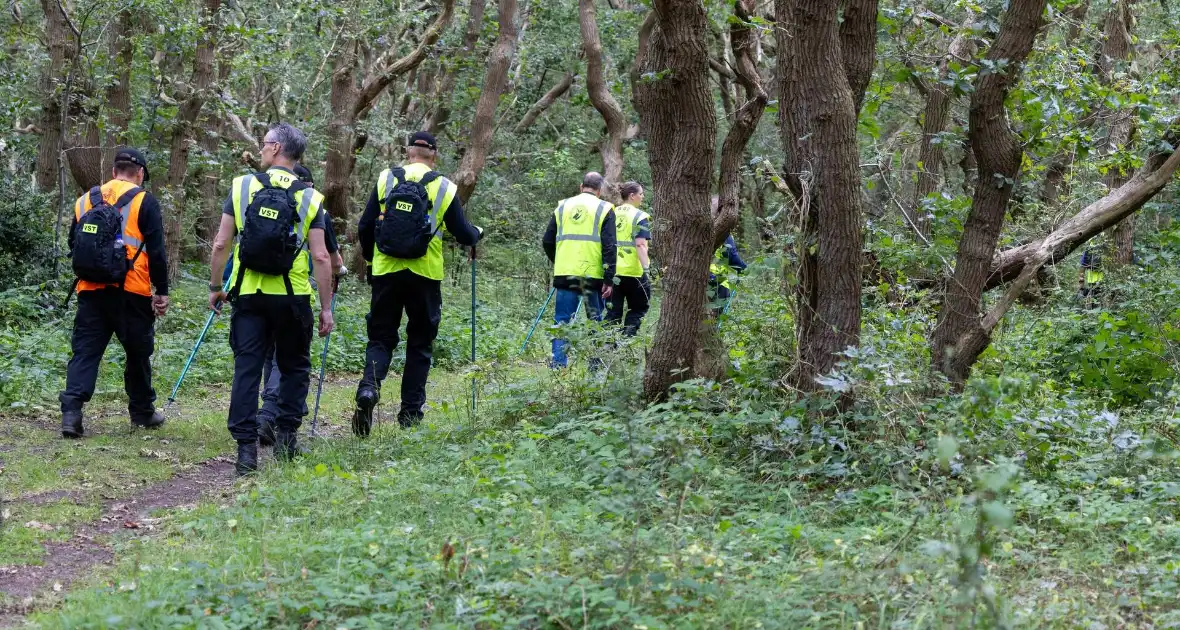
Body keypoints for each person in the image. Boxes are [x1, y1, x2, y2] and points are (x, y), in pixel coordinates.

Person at [208, 123, 335, 475]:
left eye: (264, 143)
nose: (261, 149)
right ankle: (286, 440)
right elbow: (322, 257)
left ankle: (246, 452)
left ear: (277, 148)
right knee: (294, 367)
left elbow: (221, 243)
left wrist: (215, 286)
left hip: (250, 294)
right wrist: (325, 309)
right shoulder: (310, 197)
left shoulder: (242, 186)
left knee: (247, 368)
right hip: (293, 298)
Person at [353, 131, 483, 434]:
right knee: (420, 344)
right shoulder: (445, 186)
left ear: (407, 152)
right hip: (425, 276)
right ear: (433, 156)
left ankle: (368, 389)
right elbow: (463, 233)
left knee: (381, 338)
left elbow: (364, 225)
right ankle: (410, 416)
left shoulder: (386, 178)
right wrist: (477, 233)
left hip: (386, 272)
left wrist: (374, 260)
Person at [60, 147, 170, 438]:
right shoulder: (144, 201)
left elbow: (74, 244)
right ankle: (143, 412)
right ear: (141, 174)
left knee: (85, 351)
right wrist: (162, 291)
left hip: (90, 289)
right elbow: (157, 252)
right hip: (131, 292)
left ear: (113, 171)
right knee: (137, 352)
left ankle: (71, 413)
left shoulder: (85, 200)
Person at [254, 164, 344, 446]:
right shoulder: (316, 209)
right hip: (296, 292)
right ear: (311, 186)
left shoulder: (262, 200)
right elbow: (332, 260)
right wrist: (330, 294)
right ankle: (270, 414)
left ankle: (272, 412)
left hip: (256, 289)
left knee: (270, 354)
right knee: (289, 356)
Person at [541, 172, 618, 368]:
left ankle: (558, 366)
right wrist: (609, 279)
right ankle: (595, 367)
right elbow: (610, 247)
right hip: (593, 276)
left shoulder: (563, 206)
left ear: (580, 186)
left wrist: (559, 262)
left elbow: (547, 240)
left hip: (565, 273)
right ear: (599, 191)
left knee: (562, 322)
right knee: (595, 322)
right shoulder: (605, 208)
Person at [605, 181, 652, 338]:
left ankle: (608, 347)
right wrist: (647, 270)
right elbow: (640, 245)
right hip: (634, 272)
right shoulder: (640, 216)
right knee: (638, 309)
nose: (642, 197)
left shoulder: (611, 213)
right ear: (632, 196)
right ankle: (627, 341)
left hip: (613, 272)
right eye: (640, 194)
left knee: (613, 312)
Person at [709, 234, 748, 318]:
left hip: (694, 279)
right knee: (715, 316)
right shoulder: (725, 232)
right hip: (718, 281)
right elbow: (731, 255)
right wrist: (743, 268)